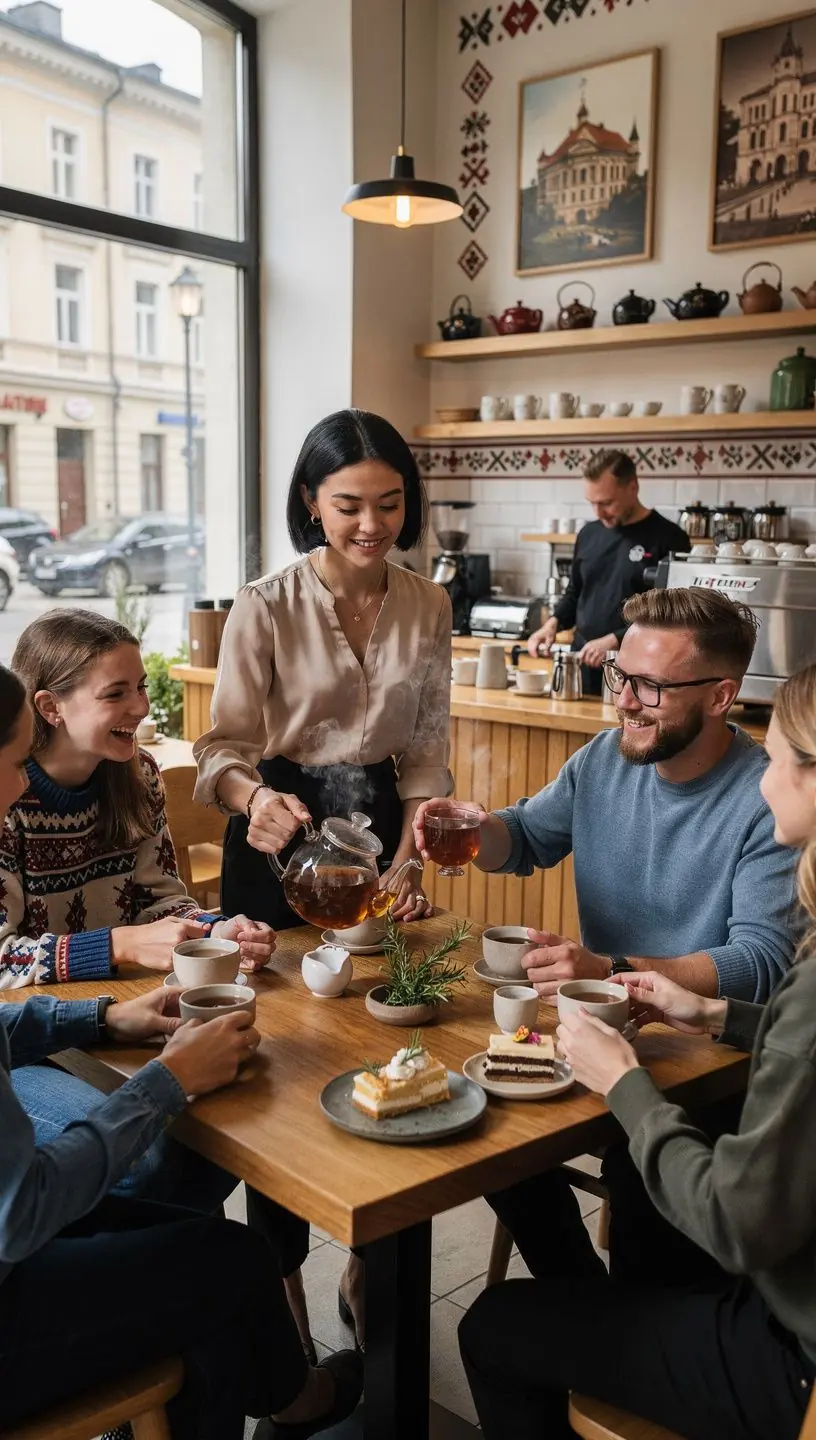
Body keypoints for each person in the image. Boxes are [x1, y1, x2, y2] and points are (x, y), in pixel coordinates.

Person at [0, 662, 363, 1440]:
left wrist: (102, 1019)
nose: (21, 787)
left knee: (192, 1224)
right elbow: (18, 1212)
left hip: (33, 1173)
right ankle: (296, 1401)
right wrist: (162, 1083)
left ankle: (222, 1391)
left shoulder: (133, 783)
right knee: (226, 1266)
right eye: (9, 764)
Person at [458, 660, 816, 1440]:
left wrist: (625, 1079)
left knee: (493, 1327)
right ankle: (599, 1305)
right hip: (784, 1291)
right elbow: (519, 836)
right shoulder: (601, 761)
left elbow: (736, 1221)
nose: (764, 781)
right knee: (515, 1154)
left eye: (783, 759)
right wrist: (719, 1016)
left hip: (791, 1348)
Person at [416, 587, 800, 1282]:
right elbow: (526, 838)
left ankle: (626, 1334)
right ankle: (582, 1301)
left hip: (709, 1067)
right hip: (598, 1036)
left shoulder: (770, 798)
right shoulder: (604, 759)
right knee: (476, 1125)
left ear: (720, 697)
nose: (622, 700)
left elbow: (761, 964)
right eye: (621, 676)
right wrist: (480, 829)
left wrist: (608, 967)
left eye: (649, 686)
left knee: (632, 1169)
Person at [194, 408, 455, 1350]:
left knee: (383, 1030)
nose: (371, 525)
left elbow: (424, 745)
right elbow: (219, 746)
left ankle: (368, 1261)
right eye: (349, 504)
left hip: (379, 823)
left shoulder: (426, 603)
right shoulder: (265, 602)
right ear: (311, 500)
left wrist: (419, 831)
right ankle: (283, 1296)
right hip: (280, 825)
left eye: (389, 504)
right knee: (278, 1065)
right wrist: (248, 798)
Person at [1, 609, 275, 989]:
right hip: (42, 1030)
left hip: (130, 1002)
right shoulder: (7, 795)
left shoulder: (140, 773)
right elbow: (3, 960)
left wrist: (214, 930)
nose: (142, 707)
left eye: (141, 687)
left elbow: (158, 902)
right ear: (51, 708)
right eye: (116, 694)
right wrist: (118, 945)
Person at [527, 451, 690, 695]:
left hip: (638, 673)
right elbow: (575, 592)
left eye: (606, 503)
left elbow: (672, 614)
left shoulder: (670, 538)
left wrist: (615, 640)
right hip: (583, 663)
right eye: (591, 502)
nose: (597, 512)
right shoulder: (588, 534)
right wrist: (552, 624)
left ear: (632, 487)